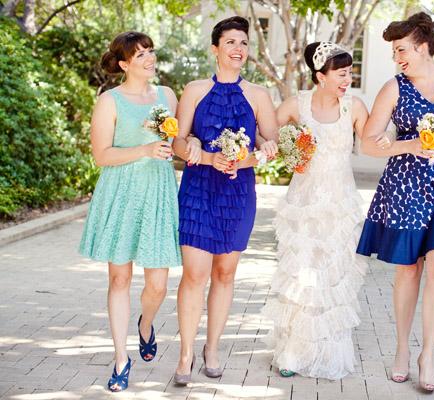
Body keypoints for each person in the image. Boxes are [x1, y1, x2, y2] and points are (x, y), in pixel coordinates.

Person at [356, 12, 434, 391]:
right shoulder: (393, 88)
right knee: (409, 268)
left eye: (401, 50)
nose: (397, 58)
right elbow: (367, 141)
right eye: (394, 52)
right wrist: (407, 145)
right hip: (406, 186)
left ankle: (427, 354)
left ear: (423, 44)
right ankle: (400, 347)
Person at [171, 16, 278, 384]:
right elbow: (178, 142)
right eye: (230, 42)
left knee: (225, 272)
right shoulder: (195, 90)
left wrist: (248, 157)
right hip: (199, 189)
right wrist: (199, 150)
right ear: (215, 49)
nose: (238, 49)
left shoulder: (259, 95)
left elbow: (271, 145)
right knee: (195, 274)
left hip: (238, 191)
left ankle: (212, 348)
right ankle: (185, 354)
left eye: (244, 43)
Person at [79, 31, 180, 392]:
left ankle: (146, 325)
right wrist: (144, 149)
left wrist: (193, 145)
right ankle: (121, 358)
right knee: (119, 279)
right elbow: (101, 155)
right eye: (140, 55)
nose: (149, 58)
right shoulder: (110, 101)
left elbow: (177, 140)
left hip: (157, 192)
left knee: (158, 284)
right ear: (124, 64)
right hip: (121, 192)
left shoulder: (167, 95)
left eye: (151, 51)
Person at [262, 41, 369, 380]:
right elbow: (268, 134)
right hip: (304, 204)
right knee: (303, 277)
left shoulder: (354, 107)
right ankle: (292, 352)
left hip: (340, 205)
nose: (347, 79)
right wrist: (287, 149)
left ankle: (329, 348)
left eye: (349, 73)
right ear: (320, 76)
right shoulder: (297, 104)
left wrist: (413, 144)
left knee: (334, 274)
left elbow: (371, 142)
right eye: (341, 73)